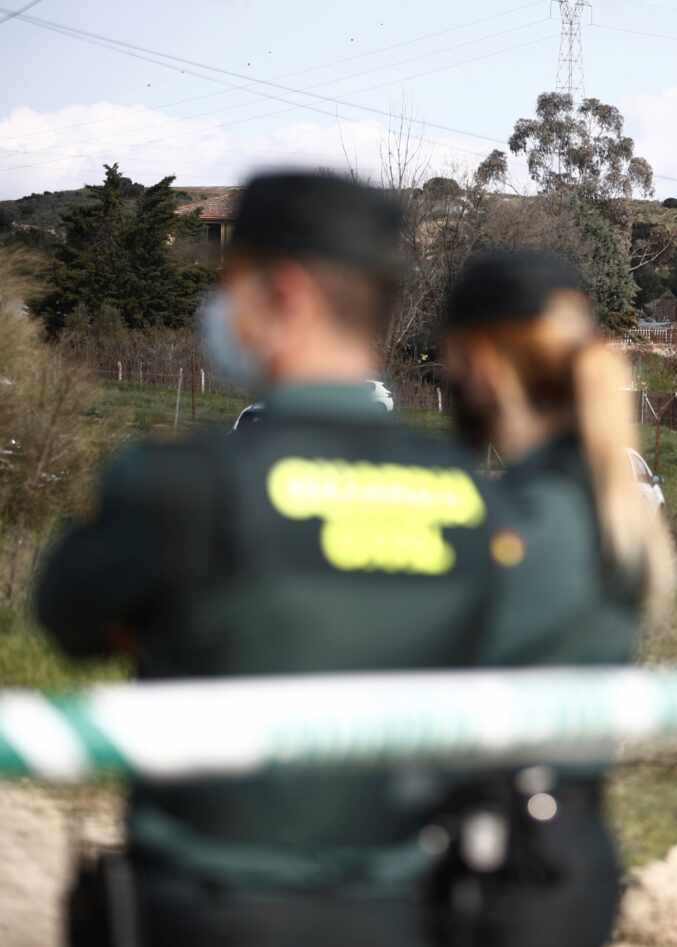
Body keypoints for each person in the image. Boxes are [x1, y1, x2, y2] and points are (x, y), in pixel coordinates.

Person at [36, 172, 508, 947]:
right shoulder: (471, 501)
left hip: (203, 906)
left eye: (231, 285)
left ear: (283, 293)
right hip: (399, 913)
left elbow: (66, 619)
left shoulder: (182, 482)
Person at [439, 249, 676, 947]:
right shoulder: (603, 503)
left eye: (448, 357)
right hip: (568, 848)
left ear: (481, 360)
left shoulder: (524, 521)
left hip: (507, 868)